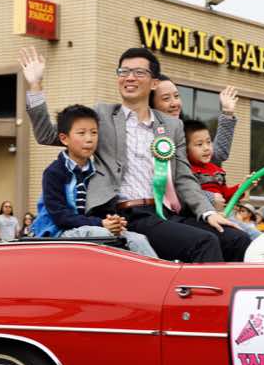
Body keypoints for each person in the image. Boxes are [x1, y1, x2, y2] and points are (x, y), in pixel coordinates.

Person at [20, 46, 249, 262]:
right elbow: (47, 135)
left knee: (237, 239)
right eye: (124, 72)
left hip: (165, 213)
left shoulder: (172, 126)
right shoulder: (102, 115)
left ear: (154, 82)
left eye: (139, 72)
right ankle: (201, 294)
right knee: (203, 243)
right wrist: (35, 84)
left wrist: (207, 212)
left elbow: (184, 178)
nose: (129, 77)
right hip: (124, 215)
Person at [30, 104, 158, 258]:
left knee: (138, 239)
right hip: (58, 232)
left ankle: (160, 272)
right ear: (64, 139)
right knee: (103, 235)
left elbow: (102, 210)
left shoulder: (97, 172)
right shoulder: (54, 172)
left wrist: (113, 221)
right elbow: (60, 217)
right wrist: (101, 224)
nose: (89, 139)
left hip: (90, 228)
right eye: (81, 133)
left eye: (94, 133)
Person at [150, 76, 239, 165]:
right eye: (166, 98)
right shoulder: (146, 134)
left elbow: (218, 154)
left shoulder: (186, 131)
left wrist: (227, 112)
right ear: (151, 103)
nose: (175, 103)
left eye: (176, 96)